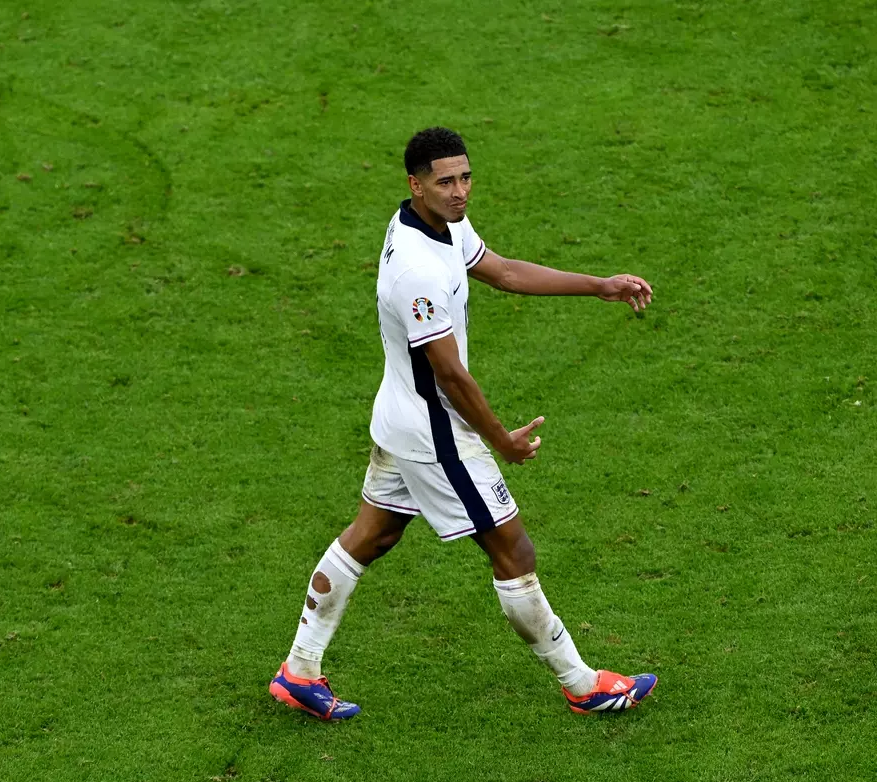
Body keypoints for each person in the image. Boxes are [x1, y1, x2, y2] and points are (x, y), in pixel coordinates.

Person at [269, 127, 658, 721]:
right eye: (445, 181)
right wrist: (500, 440)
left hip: (400, 418)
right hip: (435, 435)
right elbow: (450, 375)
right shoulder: (417, 272)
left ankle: (299, 670)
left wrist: (598, 286)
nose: (460, 191)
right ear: (415, 183)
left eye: (465, 177)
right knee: (513, 549)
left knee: (372, 535)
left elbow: (501, 271)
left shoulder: (435, 224)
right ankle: (583, 684)